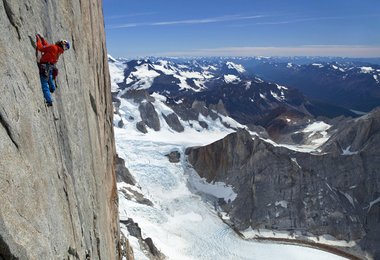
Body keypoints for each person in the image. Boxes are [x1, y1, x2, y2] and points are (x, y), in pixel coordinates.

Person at [36, 34, 70, 106]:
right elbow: (48, 48)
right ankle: (52, 87)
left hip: (45, 66)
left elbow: (41, 48)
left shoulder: (54, 47)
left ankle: (49, 100)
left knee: (44, 83)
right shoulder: (58, 51)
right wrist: (43, 40)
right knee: (50, 76)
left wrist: (38, 40)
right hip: (50, 67)